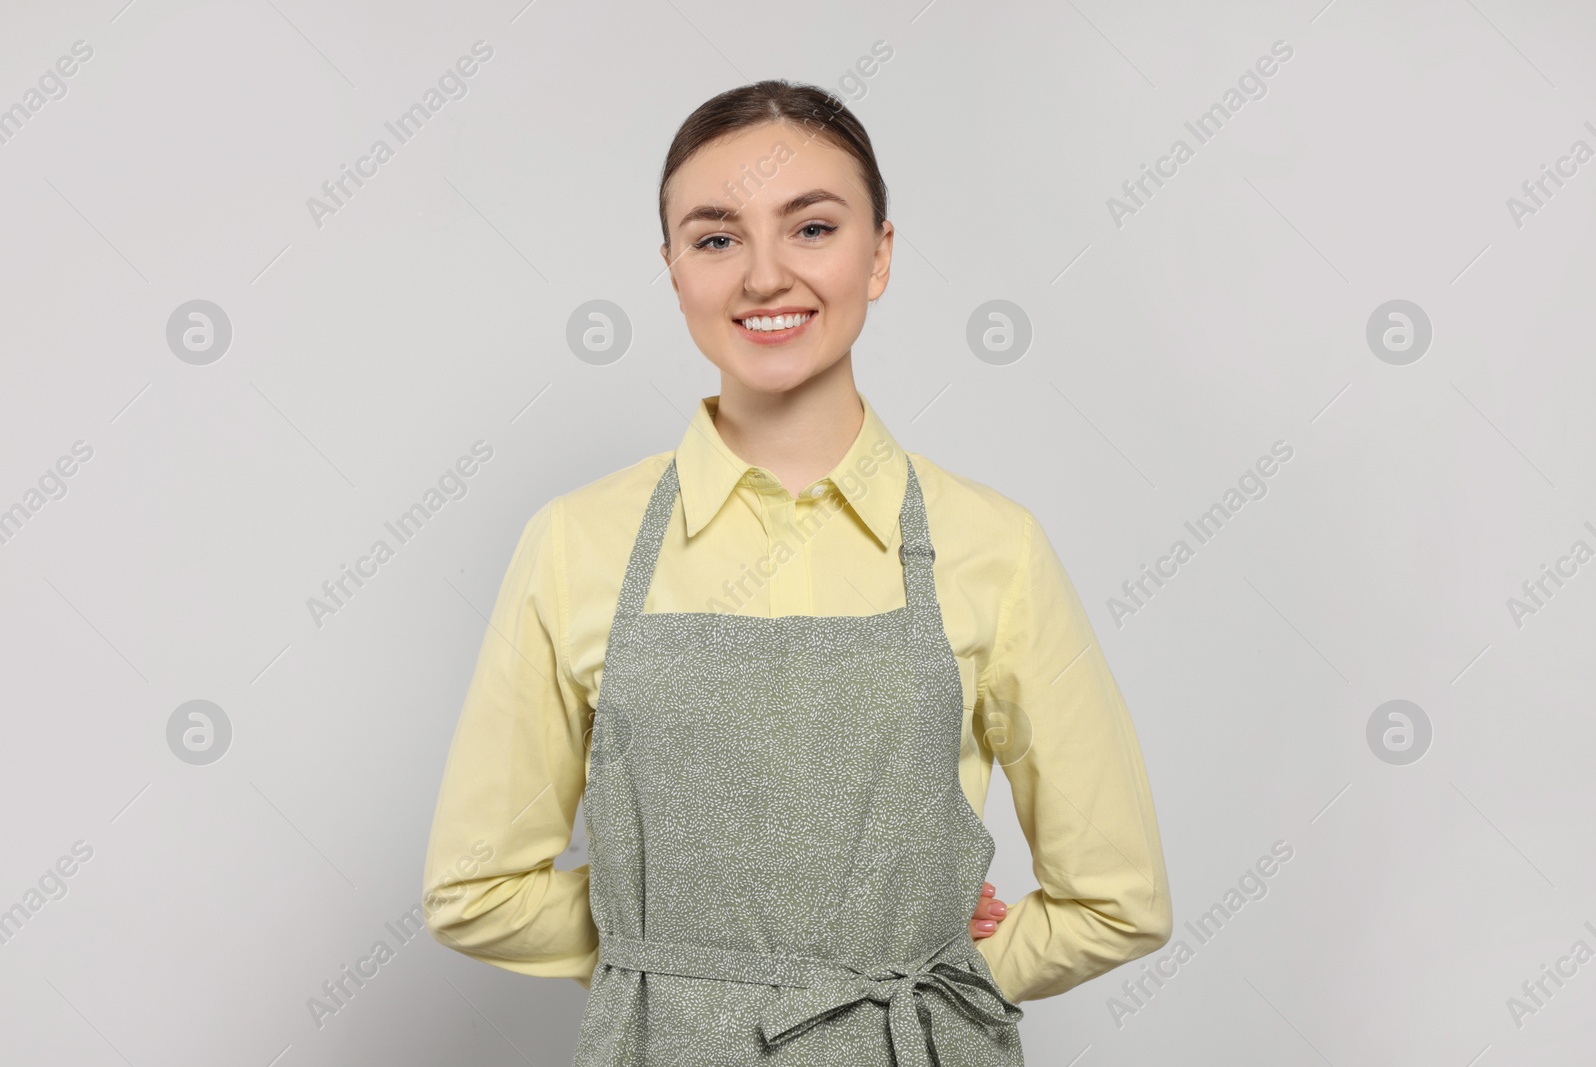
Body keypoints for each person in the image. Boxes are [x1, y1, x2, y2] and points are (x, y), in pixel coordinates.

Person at [423, 79, 1171, 1066]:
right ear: (673, 269)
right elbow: (473, 888)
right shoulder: (576, 543)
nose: (764, 275)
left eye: (811, 227)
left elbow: (1119, 900)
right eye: (716, 237)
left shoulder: (994, 545)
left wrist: (930, 952)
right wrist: (682, 937)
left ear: (881, 255)